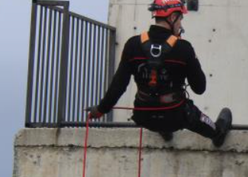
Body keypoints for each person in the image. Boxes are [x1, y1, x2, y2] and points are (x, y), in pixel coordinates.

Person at [87, 0, 232, 147]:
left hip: (143, 116)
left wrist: (99, 110)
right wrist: (189, 58)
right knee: (214, 129)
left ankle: (164, 130)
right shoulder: (184, 48)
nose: (181, 25)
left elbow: (118, 85)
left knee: (156, 109)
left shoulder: (133, 44)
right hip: (175, 116)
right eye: (180, 19)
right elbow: (200, 88)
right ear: (172, 17)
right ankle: (217, 134)